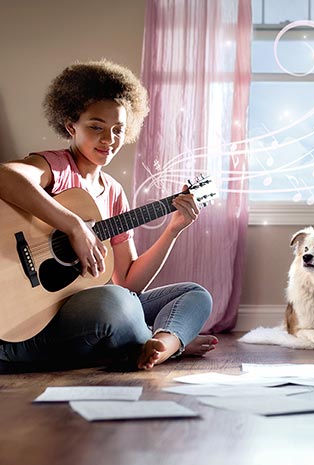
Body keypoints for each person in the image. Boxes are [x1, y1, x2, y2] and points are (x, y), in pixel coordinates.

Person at [0, 59, 217, 371]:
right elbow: (6, 176)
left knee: (194, 295)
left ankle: (164, 343)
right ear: (70, 125)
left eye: (118, 130)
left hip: (89, 314)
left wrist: (173, 230)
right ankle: (166, 344)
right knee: (115, 303)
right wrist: (73, 225)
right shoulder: (56, 167)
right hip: (24, 330)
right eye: (96, 127)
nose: (109, 140)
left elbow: (129, 280)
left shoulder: (113, 192)